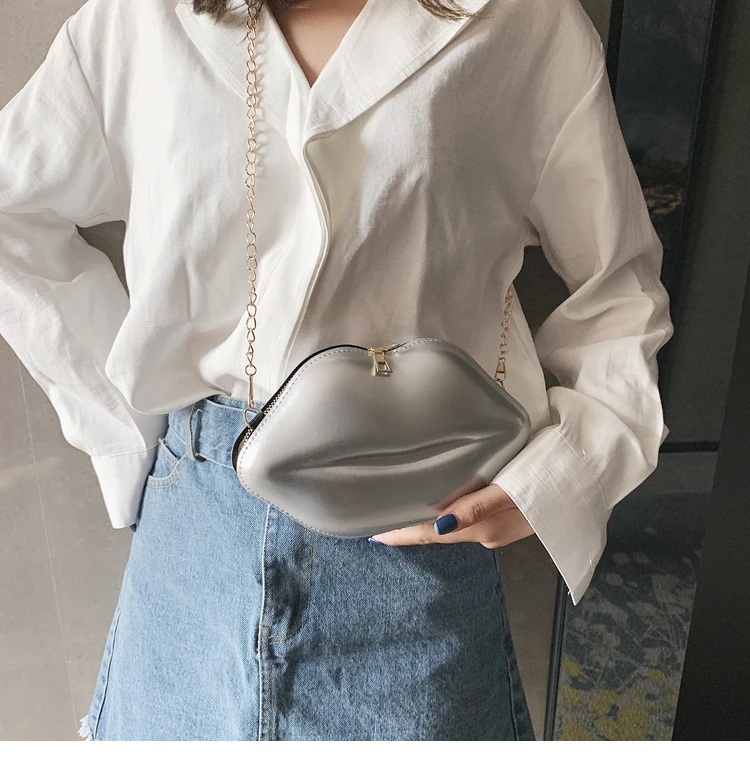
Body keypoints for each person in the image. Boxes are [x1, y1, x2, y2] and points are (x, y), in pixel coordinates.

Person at [0, 0, 673, 741]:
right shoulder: (141, 21)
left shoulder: (523, 23)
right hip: (195, 545)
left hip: (419, 544)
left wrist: (562, 475)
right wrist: (123, 435)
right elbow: (10, 210)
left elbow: (619, 288)